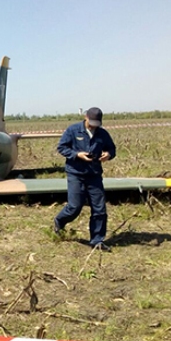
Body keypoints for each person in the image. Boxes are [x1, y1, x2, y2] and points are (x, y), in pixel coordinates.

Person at [53, 107, 116, 251]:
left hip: (94, 175)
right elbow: (62, 147)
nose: (93, 126)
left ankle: (97, 240)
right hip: (75, 173)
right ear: (85, 117)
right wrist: (77, 155)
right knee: (75, 206)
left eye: (96, 123)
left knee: (100, 208)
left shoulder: (102, 133)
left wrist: (108, 155)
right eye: (91, 122)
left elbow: (112, 149)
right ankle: (59, 221)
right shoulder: (73, 130)